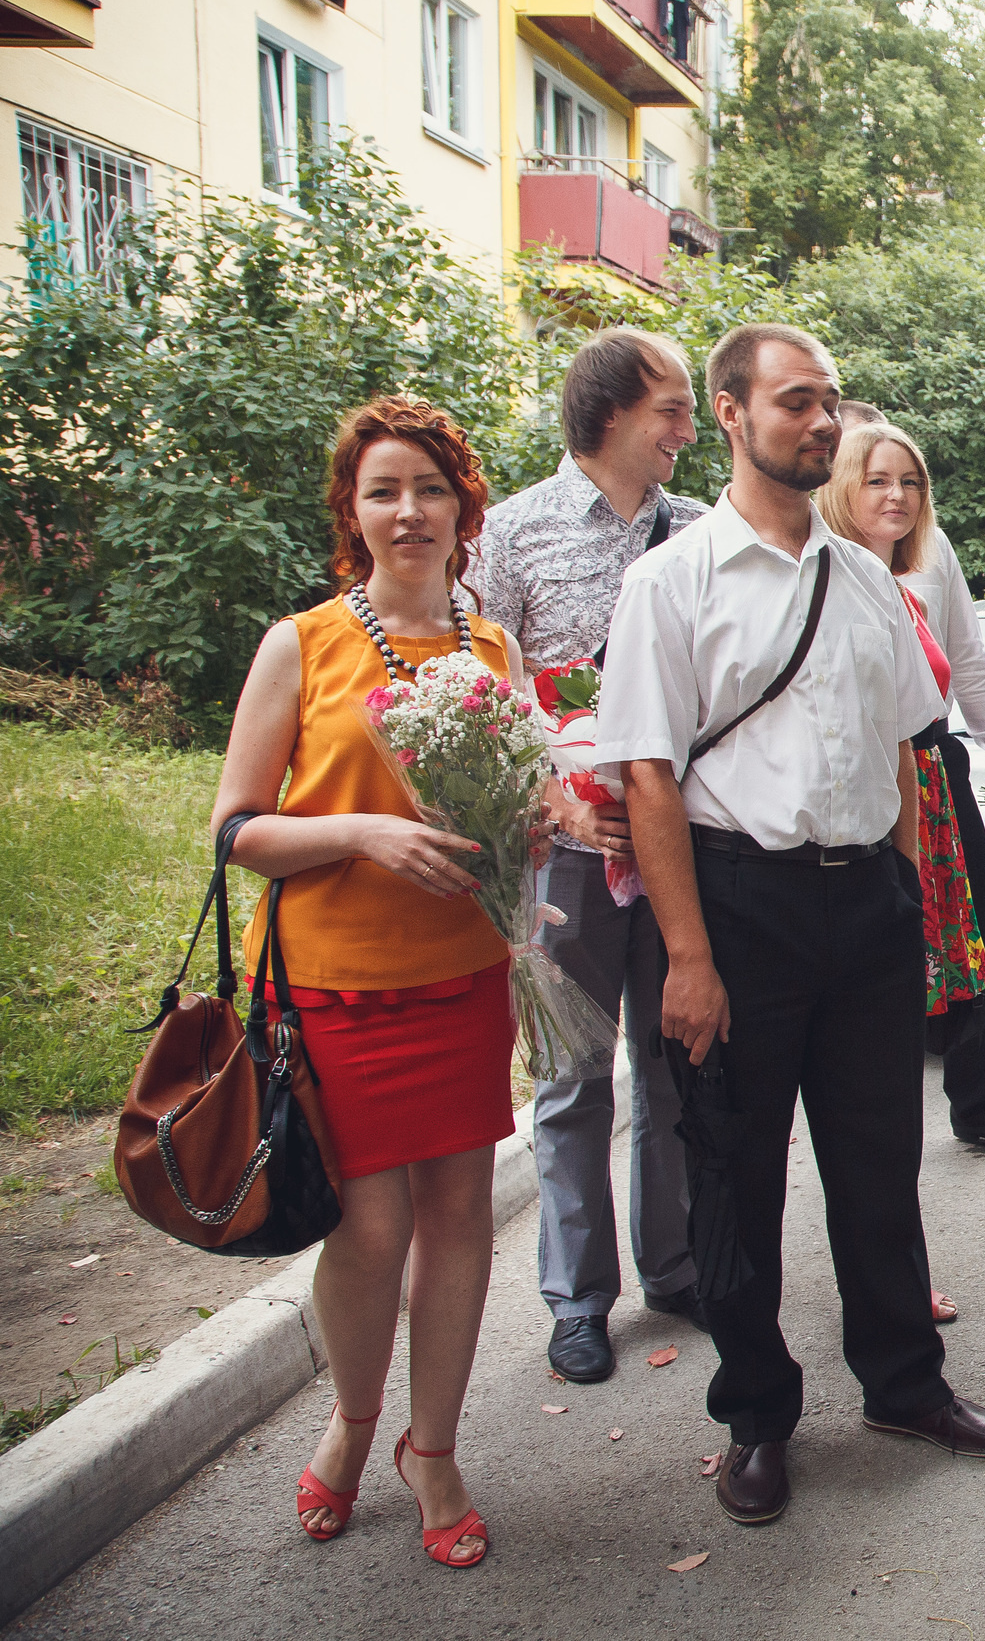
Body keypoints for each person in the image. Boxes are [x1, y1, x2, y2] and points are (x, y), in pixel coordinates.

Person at [592, 324, 985, 1530]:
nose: (822, 422)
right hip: (738, 909)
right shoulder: (668, 583)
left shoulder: (867, 580)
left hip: (867, 911)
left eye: (829, 401)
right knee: (735, 1170)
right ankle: (757, 1418)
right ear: (728, 415)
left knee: (879, 1163)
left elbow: (901, 746)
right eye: (795, 403)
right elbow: (646, 780)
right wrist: (687, 955)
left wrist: (907, 902)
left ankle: (904, 1385)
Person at [213, 396, 535, 1568]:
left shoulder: (492, 646)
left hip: (462, 981)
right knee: (368, 1223)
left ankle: (434, 1448)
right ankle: (352, 1428)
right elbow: (237, 829)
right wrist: (360, 834)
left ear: (463, 509)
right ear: (354, 511)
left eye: (430, 489)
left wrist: (543, 826)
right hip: (335, 986)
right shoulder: (301, 644)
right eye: (384, 490)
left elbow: (513, 810)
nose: (409, 511)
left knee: (457, 1219)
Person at [471, 327, 706, 1386]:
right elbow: (480, 694)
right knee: (573, 1075)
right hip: (564, 850)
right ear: (611, 412)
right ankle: (577, 1298)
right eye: (673, 408)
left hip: (681, 847)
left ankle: (677, 1264)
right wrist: (560, 800)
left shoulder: (700, 533)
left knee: (672, 1059)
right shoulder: (511, 535)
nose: (688, 431)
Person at [825, 403, 985, 1160]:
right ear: (842, 485)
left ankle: (979, 1106)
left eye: (911, 482)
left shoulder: (932, 554)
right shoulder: (817, 561)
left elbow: (972, 664)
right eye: (877, 480)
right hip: (860, 777)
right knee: (883, 949)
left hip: (935, 764)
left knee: (972, 936)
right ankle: (874, 1122)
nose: (896, 496)